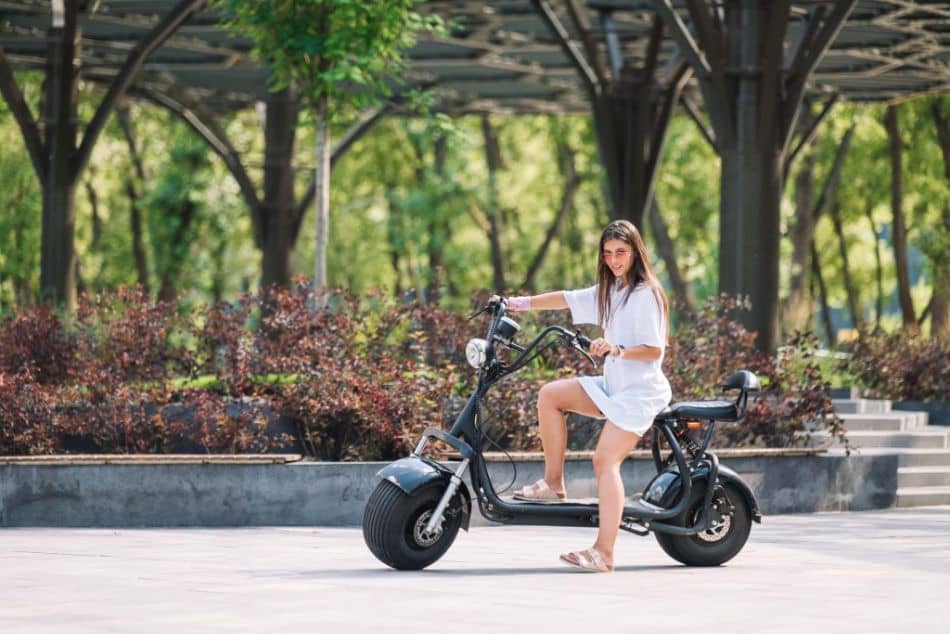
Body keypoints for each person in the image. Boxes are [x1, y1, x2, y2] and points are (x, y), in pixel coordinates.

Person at [502, 219, 671, 573]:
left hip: (639, 394)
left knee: (604, 461)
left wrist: (618, 348)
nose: (614, 260)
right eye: (608, 253)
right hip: (613, 386)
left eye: (621, 252)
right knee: (551, 395)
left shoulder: (647, 294)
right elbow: (565, 298)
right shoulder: (612, 290)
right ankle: (553, 482)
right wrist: (517, 303)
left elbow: (654, 350)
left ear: (636, 252)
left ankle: (604, 553)